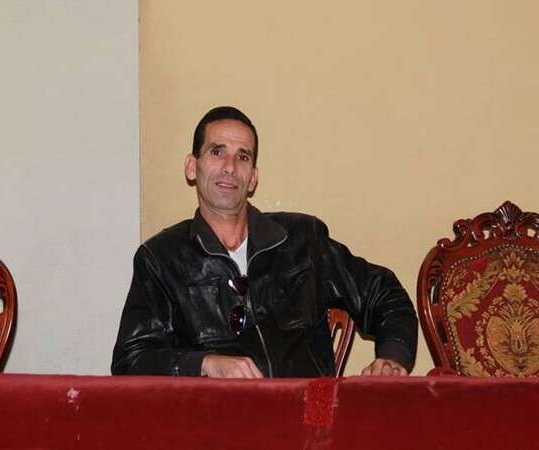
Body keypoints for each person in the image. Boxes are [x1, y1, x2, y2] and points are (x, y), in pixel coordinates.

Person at [111, 106, 417, 378]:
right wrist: (205, 364)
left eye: (242, 156)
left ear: (253, 177)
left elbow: (384, 294)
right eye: (217, 152)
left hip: (307, 416)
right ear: (192, 166)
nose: (230, 166)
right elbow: (131, 359)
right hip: (216, 420)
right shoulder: (161, 258)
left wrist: (392, 356)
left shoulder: (303, 240)